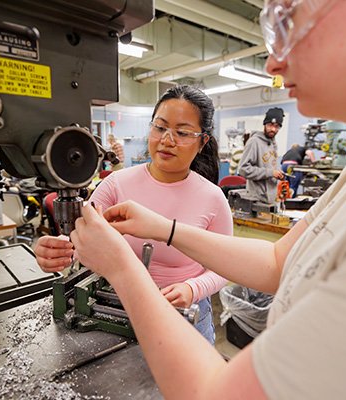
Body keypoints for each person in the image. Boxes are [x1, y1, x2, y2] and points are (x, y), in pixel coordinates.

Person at [68, 1, 346, 399]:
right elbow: (278, 262)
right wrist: (165, 229)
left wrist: (124, 269)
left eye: (287, 18)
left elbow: (215, 394)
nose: (273, 65)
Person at [35, 85, 233, 343]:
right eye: (160, 128)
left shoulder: (213, 198)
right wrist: (56, 251)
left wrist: (192, 288)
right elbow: (80, 241)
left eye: (182, 132)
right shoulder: (116, 184)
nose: (167, 140)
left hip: (184, 315)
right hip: (116, 309)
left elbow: (224, 267)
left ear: (202, 141)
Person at [237, 107, 285, 204]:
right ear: (265, 124)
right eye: (270, 125)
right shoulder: (254, 142)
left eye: (277, 126)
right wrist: (270, 173)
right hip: (257, 199)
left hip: (272, 199)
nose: (273, 129)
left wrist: (278, 173)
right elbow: (243, 169)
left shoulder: (273, 144)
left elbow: (271, 166)